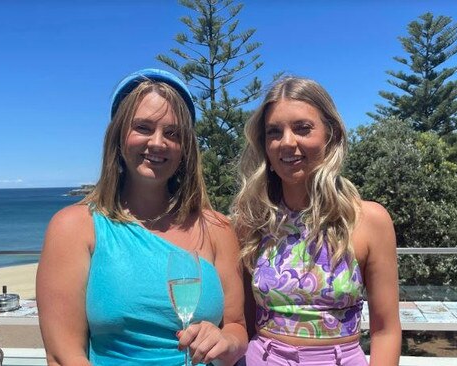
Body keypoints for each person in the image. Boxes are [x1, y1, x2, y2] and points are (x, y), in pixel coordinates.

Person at [36, 68, 248, 365]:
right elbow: (63, 355)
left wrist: (226, 342)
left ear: (185, 148)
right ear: (119, 138)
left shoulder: (217, 228)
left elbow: (237, 326)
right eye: (144, 128)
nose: (158, 143)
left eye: (173, 133)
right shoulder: (74, 227)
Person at [231, 77, 401, 365]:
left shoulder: (369, 220)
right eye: (274, 132)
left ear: (330, 135)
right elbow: (244, 324)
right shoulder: (252, 222)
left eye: (302, 128)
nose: (287, 142)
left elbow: (385, 330)